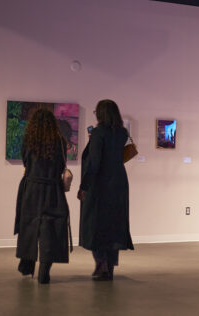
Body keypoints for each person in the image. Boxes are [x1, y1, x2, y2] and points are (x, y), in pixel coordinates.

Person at [78, 99, 134, 281]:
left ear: (100, 113)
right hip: (118, 183)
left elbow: (94, 163)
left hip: (100, 184)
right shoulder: (122, 132)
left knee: (95, 224)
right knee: (114, 226)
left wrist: (84, 186)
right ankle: (109, 266)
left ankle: (101, 263)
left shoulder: (98, 133)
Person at [14, 108, 71, 284]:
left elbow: (25, 161)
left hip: (31, 188)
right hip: (53, 189)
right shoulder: (60, 142)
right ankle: (44, 270)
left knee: (30, 226)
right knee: (51, 229)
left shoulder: (29, 140)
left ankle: (27, 264)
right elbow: (62, 164)